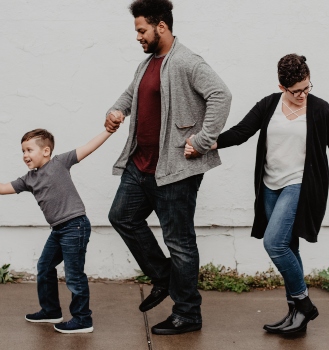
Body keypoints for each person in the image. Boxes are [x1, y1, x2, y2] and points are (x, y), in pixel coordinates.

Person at [185, 54, 329, 334]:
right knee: (289, 247)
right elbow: (241, 132)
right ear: (282, 87)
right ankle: (296, 317)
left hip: (300, 185)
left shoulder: (320, 110)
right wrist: (205, 144)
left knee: (275, 244)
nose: (303, 95)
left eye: (307, 87)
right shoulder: (269, 105)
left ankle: (304, 304)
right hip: (270, 186)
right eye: (296, 91)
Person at [104, 0, 232, 336]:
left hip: (174, 169)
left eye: (141, 30)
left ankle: (188, 313)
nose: (138, 37)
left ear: (161, 26)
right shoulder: (148, 63)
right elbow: (131, 95)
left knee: (180, 242)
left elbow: (221, 95)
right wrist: (117, 110)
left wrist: (203, 140)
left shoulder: (188, 62)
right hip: (141, 165)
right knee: (122, 217)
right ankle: (164, 278)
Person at [0, 128, 113, 334]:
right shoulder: (29, 179)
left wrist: (108, 131)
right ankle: (51, 310)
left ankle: (83, 319)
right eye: (22, 151)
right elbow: (4, 187)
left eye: (29, 150)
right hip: (58, 230)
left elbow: (88, 147)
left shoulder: (60, 162)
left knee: (74, 275)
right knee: (45, 266)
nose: (25, 155)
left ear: (46, 151)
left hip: (75, 226)